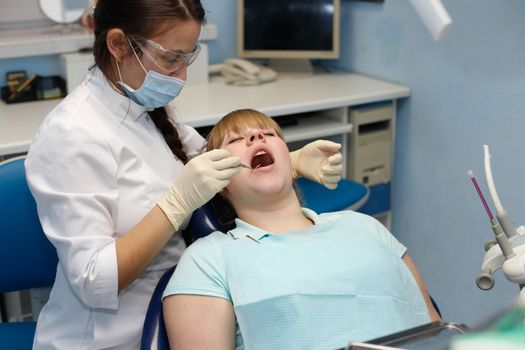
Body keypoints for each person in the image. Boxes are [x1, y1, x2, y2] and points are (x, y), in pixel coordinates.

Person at [24, 1, 343, 349]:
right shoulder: (71, 134)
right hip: (111, 339)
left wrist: (288, 162)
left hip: (186, 313)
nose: (181, 76)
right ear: (117, 44)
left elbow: (213, 161)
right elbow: (94, 280)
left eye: (187, 59)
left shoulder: (148, 107)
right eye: (170, 59)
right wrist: (175, 205)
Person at [162, 109, 442, 350]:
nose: (257, 137)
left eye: (269, 134)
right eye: (236, 139)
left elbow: (436, 329)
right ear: (219, 182)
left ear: (291, 161)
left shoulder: (363, 226)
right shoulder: (209, 259)